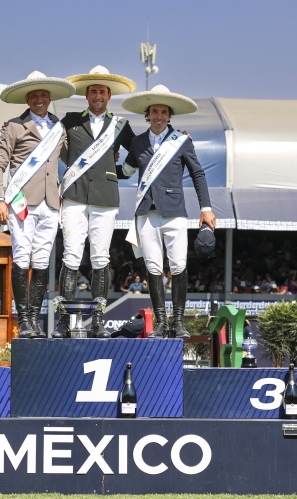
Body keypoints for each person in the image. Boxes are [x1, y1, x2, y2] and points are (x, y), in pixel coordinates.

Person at [117, 85, 215, 338]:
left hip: (174, 212)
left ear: (169, 116)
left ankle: (179, 321)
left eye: (163, 112)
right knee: (152, 268)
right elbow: (125, 172)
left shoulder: (181, 141)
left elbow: (198, 173)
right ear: (147, 115)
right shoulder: (137, 143)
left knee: (179, 266)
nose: (158, 116)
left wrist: (206, 208)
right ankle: (161, 322)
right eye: (154, 112)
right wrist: (107, 159)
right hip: (146, 214)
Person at [53, 66, 137, 339]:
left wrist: (121, 172)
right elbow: (51, 142)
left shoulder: (121, 126)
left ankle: (99, 320)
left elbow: (140, 151)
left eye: (102, 91)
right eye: (93, 91)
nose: (98, 96)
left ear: (109, 95)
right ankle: (64, 321)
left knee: (101, 256)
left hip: (105, 197)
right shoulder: (70, 120)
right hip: (75, 195)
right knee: (71, 255)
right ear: (87, 95)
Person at [0, 71, 74, 338]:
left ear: (49, 99)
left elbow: (74, 155)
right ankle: (23, 320)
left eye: (43, 95)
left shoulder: (59, 127)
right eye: (34, 96)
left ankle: (35, 320)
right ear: (28, 99)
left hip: (51, 203)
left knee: (41, 260)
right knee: (22, 256)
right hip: (21, 202)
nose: (39, 99)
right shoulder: (14, 126)